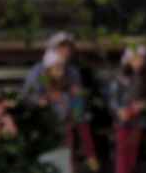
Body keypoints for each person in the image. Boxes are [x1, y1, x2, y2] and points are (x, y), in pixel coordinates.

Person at [21, 31, 100, 172]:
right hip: (47, 120)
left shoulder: (72, 71)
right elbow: (28, 94)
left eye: (69, 48)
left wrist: (76, 113)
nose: (67, 51)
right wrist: (42, 101)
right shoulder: (39, 70)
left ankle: (89, 159)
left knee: (76, 136)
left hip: (68, 118)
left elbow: (77, 98)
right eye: (62, 47)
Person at [106, 44, 146, 173]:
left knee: (133, 151)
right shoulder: (119, 77)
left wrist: (142, 105)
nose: (139, 62)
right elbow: (112, 98)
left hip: (139, 122)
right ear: (128, 60)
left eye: (141, 59)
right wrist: (118, 111)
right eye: (135, 59)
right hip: (122, 120)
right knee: (122, 150)